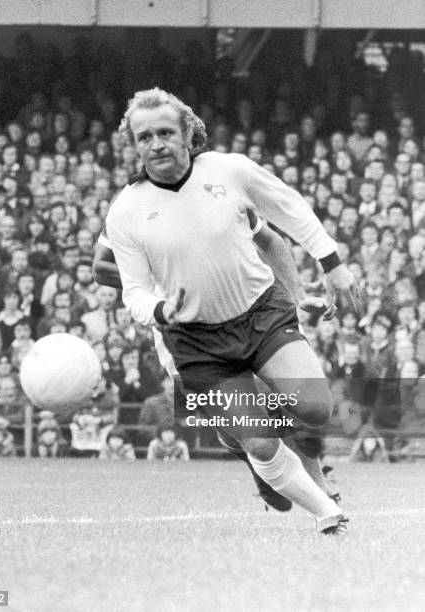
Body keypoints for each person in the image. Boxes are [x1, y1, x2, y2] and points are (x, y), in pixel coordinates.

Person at [106, 88, 360, 534]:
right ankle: (326, 512)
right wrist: (161, 310)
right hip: (194, 340)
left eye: (166, 132)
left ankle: (244, 428)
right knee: (261, 443)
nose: (157, 144)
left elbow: (290, 208)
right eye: (144, 137)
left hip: (260, 315)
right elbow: (133, 292)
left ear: (188, 133)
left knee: (315, 409)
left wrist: (331, 265)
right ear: (134, 144)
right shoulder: (126, 210)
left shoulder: (230, 171)